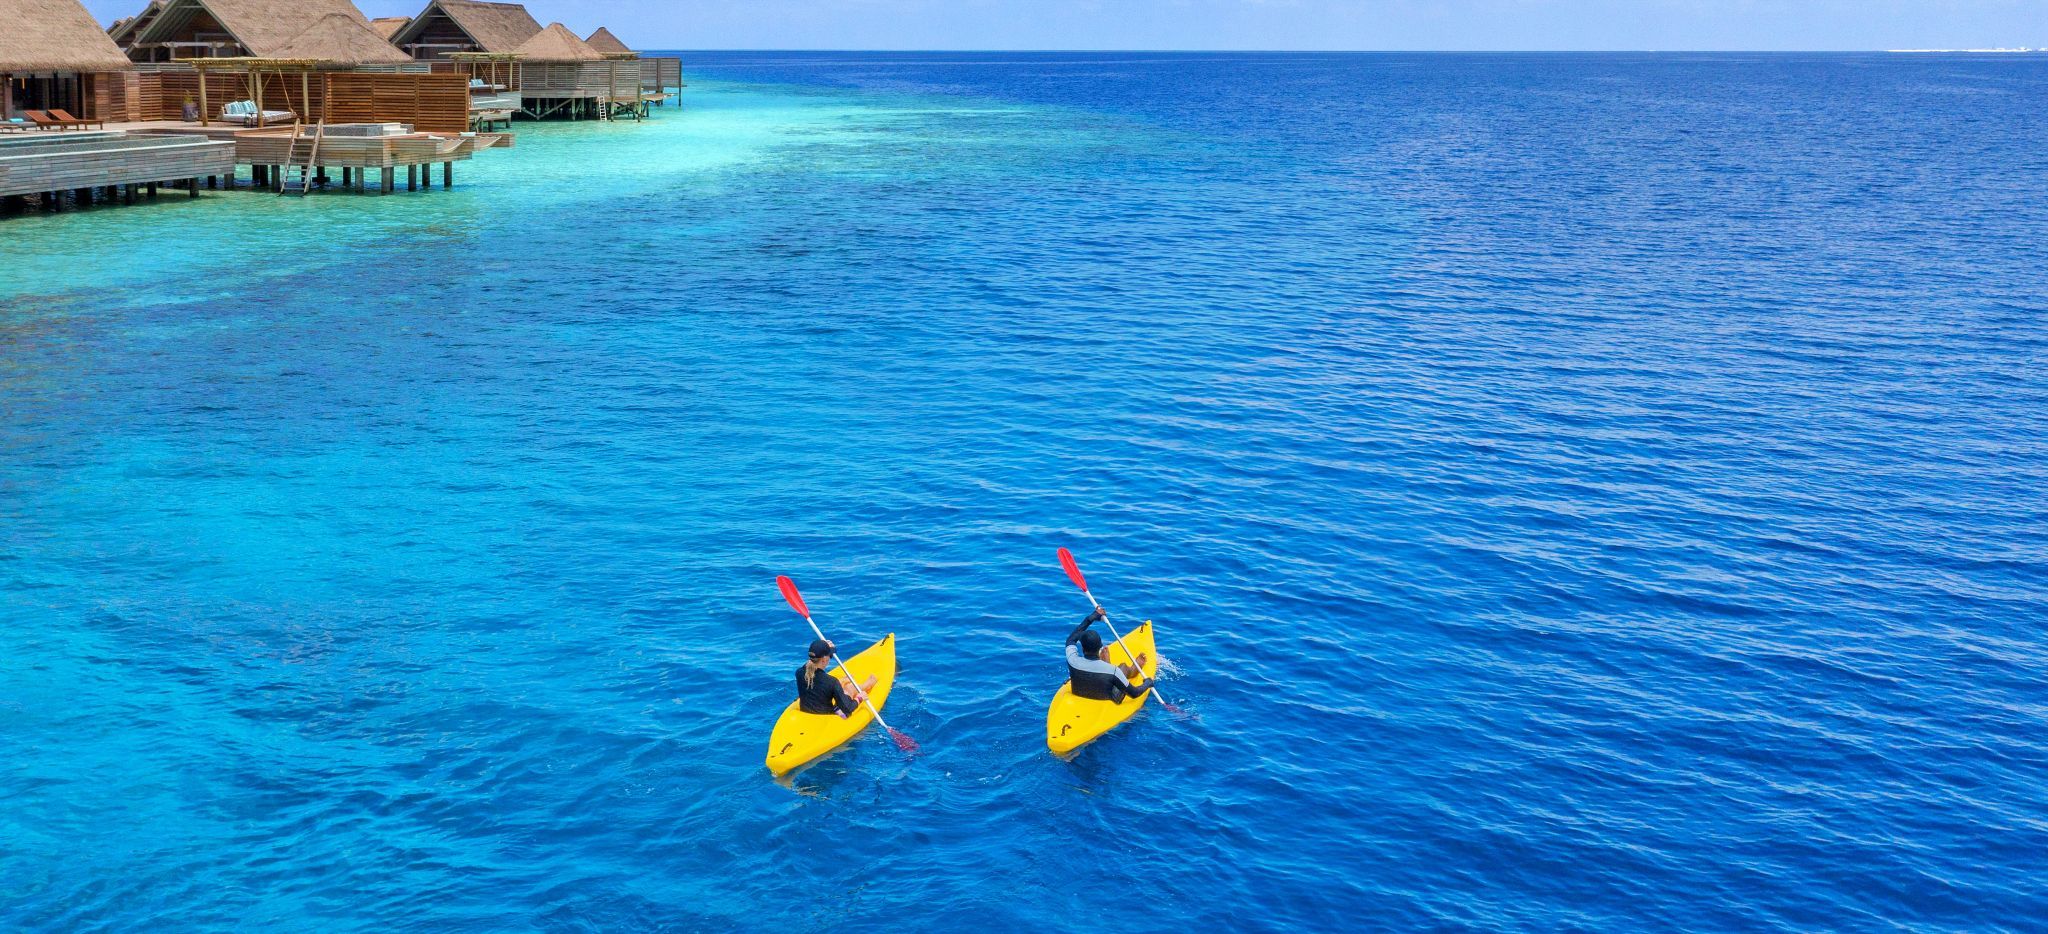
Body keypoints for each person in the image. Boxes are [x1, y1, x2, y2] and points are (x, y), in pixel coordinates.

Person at [1064, 608, 1153, 704]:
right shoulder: (1114, 671)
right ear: (1100, 647)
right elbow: (1134, 693)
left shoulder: (1072, 660)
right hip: (1107, 698)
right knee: (1122, 667)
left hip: (1079, 693)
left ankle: (1105, 664)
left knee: (1109, 672)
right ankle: (1131, 671)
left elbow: (1071, 640)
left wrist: (1091, 618)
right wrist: (1147, 683)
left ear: (1082, 648)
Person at [796, 638, 877, 718]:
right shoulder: (831, 682)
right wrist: (859, 698)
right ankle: (868, 685)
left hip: (807, 711)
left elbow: (814, 660)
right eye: (829, 656)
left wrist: (823, 647)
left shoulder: (799, 672)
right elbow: (847, 708)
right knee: (849, 688)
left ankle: (843, 681)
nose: (830, 658)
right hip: (828, 717)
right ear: (824, 659)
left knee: (831, 685)